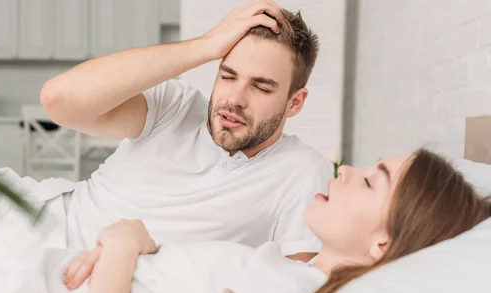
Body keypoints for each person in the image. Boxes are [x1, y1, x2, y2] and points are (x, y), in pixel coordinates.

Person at [63, 149, 491, 293]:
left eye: (367, 181)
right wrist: (142, 247)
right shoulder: (293, 272)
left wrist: (121, 247)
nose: (346, 172)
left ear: (383, 243)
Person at [41, 0, 330, 262]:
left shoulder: (301, 173)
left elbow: (293, 291)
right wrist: (206, 45)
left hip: (82, 276)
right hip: (35, 224)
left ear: (295, 103)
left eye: (261, 87)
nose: (235, 99)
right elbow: (58, 100)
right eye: (228, 76)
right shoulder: (173, 106)